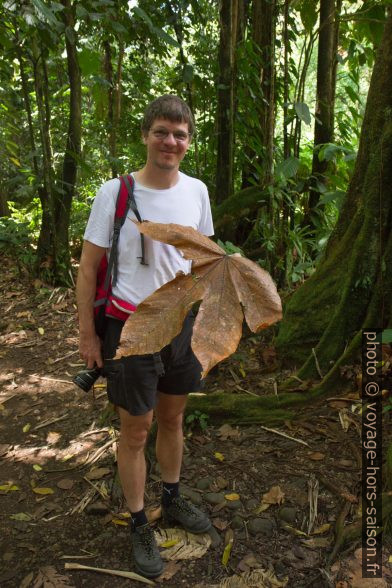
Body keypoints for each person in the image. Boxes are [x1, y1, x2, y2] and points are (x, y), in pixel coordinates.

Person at [76, 95, 214, 578]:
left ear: (188, 141)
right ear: (145, 135)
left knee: (173, 421)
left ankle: (172, 499)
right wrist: (90, 339)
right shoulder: (114, 193)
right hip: (130, 330)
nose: (170, 141)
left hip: (180, 329)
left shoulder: (197, 191)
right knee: (135, 431)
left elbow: (202, 257)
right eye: (161, 131)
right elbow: (89, 267)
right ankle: (139, 521)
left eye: (179, 134)